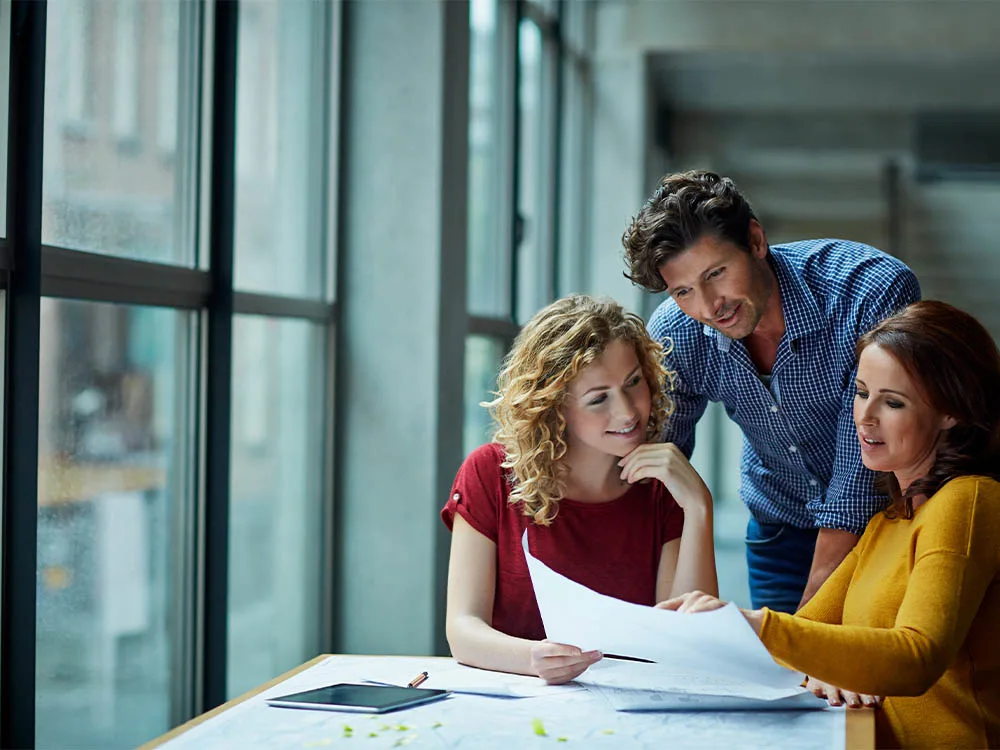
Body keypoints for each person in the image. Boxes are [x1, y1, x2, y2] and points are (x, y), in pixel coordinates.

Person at [658, 300, 1000, 749]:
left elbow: (916, 658)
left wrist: (754, 625)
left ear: (951, 412)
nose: (866, 416)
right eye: (860, 393)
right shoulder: (887, 521)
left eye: (892, 402)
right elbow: (806, 638)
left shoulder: (969, 500)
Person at [621, 169, 921, 613]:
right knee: (780, 679)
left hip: (888, 525)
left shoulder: (867, 292)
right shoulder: (678, 330)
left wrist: (805, 620)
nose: (708, 306)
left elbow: (862, 462)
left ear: (756, 241)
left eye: (716, 273)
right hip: (780, 526)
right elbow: (657, 460)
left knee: (863, 673)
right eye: (683, 291)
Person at [442, 294, 718, 685]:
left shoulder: (662, 490)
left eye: (633, 382)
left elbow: (691, 644)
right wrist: (533, 658)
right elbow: (463, 629)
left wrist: (698, 506)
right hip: (519, 702)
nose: (627, 411)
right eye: (598, 398)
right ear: (556, 408)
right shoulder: (490, 473)